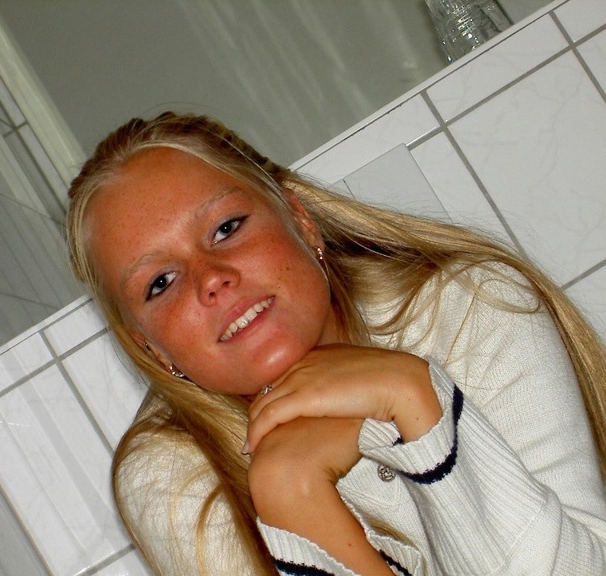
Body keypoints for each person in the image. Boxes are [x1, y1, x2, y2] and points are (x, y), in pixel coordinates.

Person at [66, 112, 606, 575]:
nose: (211, 278)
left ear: (300, 222)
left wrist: (414, 395)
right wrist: (294, 493)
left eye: (226, 228)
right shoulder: (173, 477)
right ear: (153, 350)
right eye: (161, 282)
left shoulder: (467, 307)